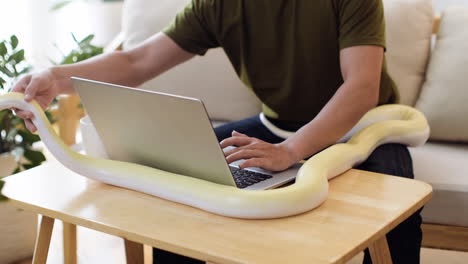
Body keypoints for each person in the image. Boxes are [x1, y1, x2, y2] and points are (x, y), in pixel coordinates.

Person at [13, 0, 422, 263]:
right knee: (182, 182)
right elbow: (137, 62)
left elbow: (361, 87)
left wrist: (293, 149)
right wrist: (56, 77)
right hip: (277, 126)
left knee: (397, 207)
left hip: (368, 128)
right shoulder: (217, 3)